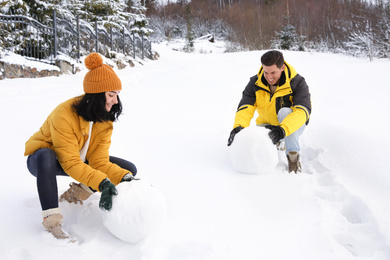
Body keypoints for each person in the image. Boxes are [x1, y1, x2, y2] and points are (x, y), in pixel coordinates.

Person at [24, 52, 138, 242]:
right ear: (96, 95)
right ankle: (52, 222)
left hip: (77, 160)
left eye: (117, 95)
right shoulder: (64, 114)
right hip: (44, 162)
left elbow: (99, 161)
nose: (115, 101)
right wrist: (102, 182)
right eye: (111, 95)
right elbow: (69, 163)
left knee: (128, 169)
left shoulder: (104, 118)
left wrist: (123, 178)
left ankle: (74, 195)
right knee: (46, 155)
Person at [227, 50, 311, 173]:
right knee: (255, 141)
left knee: (285, 112)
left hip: (292, 126)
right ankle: (276, 141)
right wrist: (239, 127)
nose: (269, 77)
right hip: (268, 125)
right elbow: (246, 107)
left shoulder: (297, 83)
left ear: (282, 67)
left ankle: (293, 158)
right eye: (266, 72)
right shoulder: (255, 83)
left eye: (273, 72)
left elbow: (302, 111)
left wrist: (282, 130)